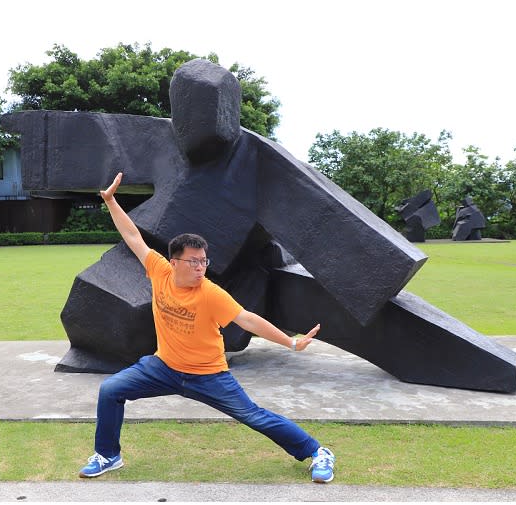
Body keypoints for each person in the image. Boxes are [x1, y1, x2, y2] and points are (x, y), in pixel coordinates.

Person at [78, 172, 336, 484]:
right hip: (164, 366)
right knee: (110, 390)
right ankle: (108, 455)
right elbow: (134, 237)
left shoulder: (210, 293)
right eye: (193, 262)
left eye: (203, 261)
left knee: (253, 415)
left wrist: (291, 343)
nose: (201, 267)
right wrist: (110, 201)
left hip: (208, 375)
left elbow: (246, 319)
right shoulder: (159, 271)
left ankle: (318, 452)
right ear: (174, 262)